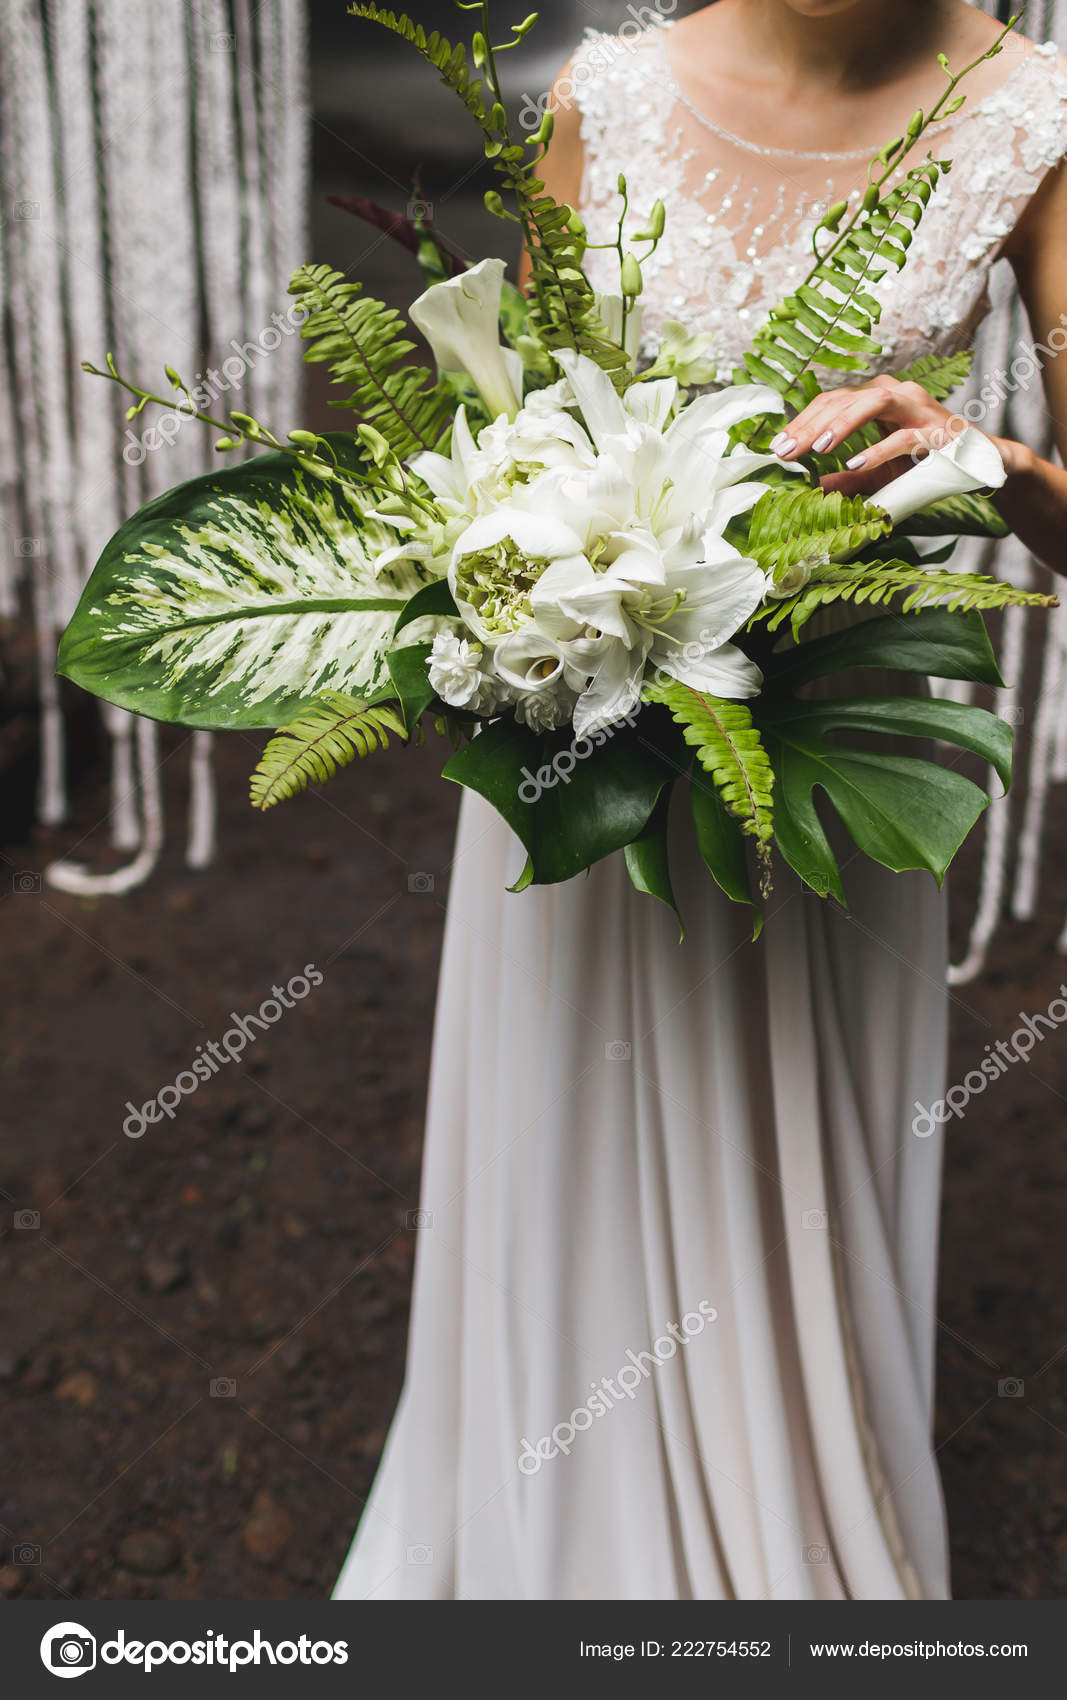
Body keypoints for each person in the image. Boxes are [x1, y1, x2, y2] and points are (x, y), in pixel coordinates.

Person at [335, 0, 1067, 1600]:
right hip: (583, 737)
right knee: (568, 1140)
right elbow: (512, 438)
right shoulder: (609, 96)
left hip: (822, 756)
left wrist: (987, 464)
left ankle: (787, 1534)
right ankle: (551, 1539)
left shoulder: (1034, 121)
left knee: (792, 1158)